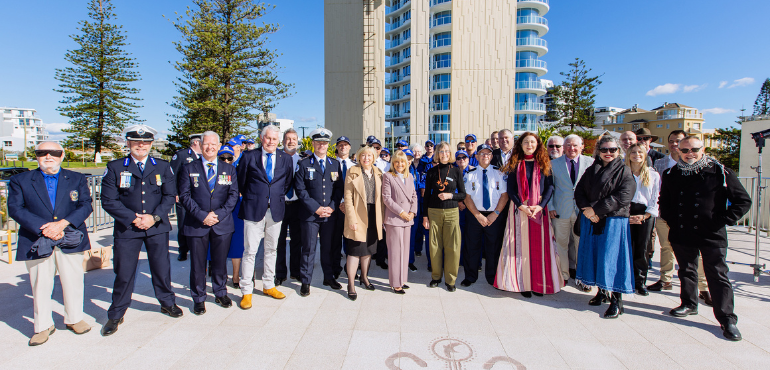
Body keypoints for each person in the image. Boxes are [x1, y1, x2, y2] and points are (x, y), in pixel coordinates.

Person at [659, 136, 751, 341]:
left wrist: (721, 220)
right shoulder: (671, 173)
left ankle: (727, 318)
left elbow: (743, 201)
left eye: (694, 149)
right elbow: (664, 201)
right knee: (686, 270)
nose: (689, 154)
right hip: (682, 231)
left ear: (703, 149)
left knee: (717, 274)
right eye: (685, 150)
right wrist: (672, 220)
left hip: (711, 233)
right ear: (678, 152)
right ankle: (689, 304)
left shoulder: (720, 172)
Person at [8, 142, 93, 346]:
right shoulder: (21, 180)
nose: (48, 156)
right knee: (40, 284)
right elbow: (16, 209)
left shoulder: (76, 178)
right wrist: (45, 228)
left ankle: (74, 318)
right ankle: (43, 326)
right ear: (36, 156)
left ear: (62, 155)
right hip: (37, 238)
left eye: (53, 152)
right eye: (42, 152)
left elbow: (85, 205)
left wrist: (62, 224)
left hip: (70, 236)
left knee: (73, 280)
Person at [100, 125, 180, 336]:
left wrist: (152, 218)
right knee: (124, 272)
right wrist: (133, 218)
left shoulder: (162, 167)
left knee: (161, 269)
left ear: (151, 144)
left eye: (145, 142)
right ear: (128, 143)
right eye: (136, 141)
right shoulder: (116, 167)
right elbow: (108, 200)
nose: (141, 145)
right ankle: (116, 313)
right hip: (128, 228)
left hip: (156, 226)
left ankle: (167, 302)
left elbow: (170, 196)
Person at [178, 131, 239, 314]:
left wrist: (218, 214)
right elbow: (184, 196)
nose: (210, 147)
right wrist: (202, 215)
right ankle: (199, 297)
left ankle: (220, 292)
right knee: (198, 264)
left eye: (214, 144)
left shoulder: (229, 169)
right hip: (197, 223)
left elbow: (233, 195)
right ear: (200, 144)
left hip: (222, 223)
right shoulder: (189, 168)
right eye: (206, 144)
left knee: (220, 262)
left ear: (219, 146)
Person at [574, 135, 635, 318]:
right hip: (591, 219)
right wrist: (587, 210)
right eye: (604, 150)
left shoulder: (624, 170)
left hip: (614, 221)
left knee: (612, 259)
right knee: (596, 256)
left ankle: (617, 301)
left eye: (613, 150)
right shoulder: (592, 170)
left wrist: (596, 211)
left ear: (619, 151)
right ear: (598, 151)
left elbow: (624, 196)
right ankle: (601, 292)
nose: (608, 153)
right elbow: (579, 191)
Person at [495, 132, 560, 297]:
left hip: (539, 211)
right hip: (519, 211)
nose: (529, 145)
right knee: (519, 249)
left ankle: (539, 283)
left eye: (532, 142)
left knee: (539, 248)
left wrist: (540, 206)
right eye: (526, 142)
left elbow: (550, 188)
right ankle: (522, 283)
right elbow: (510, 189)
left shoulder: (545, 163)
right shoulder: (515, 163)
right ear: (520, 144)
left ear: (537, 144)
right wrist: (521, 205)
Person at [237, 125, 294, 308]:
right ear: (262, 138)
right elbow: (241, 182)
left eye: (274, 139)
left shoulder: (285, 159)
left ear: (278, 141)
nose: (271, 142)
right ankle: (246, 290)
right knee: (250, 251)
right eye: (268, 138)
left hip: (275, 211)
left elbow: (287, 183)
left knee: (272, 250)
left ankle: (268, 285)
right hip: (253, 209)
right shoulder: (248, 157)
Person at [649, 131, 709, 303]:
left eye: (679, 141)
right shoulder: (660, 163)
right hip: (666, 214)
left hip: (693, 217)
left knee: (697, 253)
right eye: (672, 141)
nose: (675, 144)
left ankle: (703, 287)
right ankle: (665, 279)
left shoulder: (701, 165)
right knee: (666, 247)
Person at [294, 128, 344, 297]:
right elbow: (300, 190)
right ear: (313, 144)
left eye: (325, 143)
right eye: (318, 142)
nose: (322, 145)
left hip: (329, 215)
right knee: (308, 249)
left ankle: (328, 277)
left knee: (328, 248)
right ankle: (305, 281)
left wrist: (331, 206)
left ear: (328, 145)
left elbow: (339, 189)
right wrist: (316, 208)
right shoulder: (304, 164)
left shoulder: (334, 164)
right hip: (310, 215)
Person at [548, 134, 594, 291]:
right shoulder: (553, 164)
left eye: (575, 145)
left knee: (581, 245)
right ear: (564, 147)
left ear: (582, 146)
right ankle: (563, 275)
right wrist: (550, 206)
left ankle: (582, 277)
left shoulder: (591, 163)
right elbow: (549, 188)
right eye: (568, 145)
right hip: (560, 210)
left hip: (583, 212)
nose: (571, 148)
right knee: (561, 244)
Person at [461, 144, 508, 286]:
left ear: (492, 157)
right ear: (476, 156)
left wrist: (496, 213)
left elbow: (504, 196)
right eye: (482, 154)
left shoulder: (500, 173)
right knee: (472, 246)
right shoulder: (470, 175)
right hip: (475, 215)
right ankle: (470, 276)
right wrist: (477, 215)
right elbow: (467, 198)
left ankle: (492, 276)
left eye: (488, 154)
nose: (485, 156)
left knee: (493, 247)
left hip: (494, 215)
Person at [422, 141, 466, 292]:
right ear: (437, 153)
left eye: (447, 151)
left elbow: (463, 194)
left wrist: (450, 195)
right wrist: (425, 216)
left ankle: (450, 280)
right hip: (434, 211)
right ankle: (436, 277)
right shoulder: (431, 172)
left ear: (450, 153)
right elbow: (426, 195)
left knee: (452, 247)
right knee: (434, 246)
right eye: (441, 151)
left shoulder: (456, 171)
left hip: (452, 212)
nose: (444, 154)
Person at [343, 146, 384, 300]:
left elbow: (382, 199)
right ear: (359, 157)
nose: (366, 158)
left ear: (374, 157)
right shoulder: (352, 172)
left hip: (374, 214)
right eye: (363, 155)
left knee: (368, 249)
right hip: (358, 213)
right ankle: (351, 284)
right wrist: (351, 219)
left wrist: (382, 219)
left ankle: (364, 277)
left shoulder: (379, 173)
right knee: (354, 250)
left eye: (369, 155)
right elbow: (347, 197)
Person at [625, 143, 660, 296]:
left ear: (645, 155)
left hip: (645, 214)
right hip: (626, 212)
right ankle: (626, 280)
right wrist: (627, 215)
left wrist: (645, 216)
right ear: (628, 154)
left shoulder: (653, 175)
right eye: (633, 152)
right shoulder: (623, 172)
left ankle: (640, 282)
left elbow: (655, 198)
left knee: (642, 248)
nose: (636, 154)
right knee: (626, 247)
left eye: (640, 152)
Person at [383, 150, 419, 294]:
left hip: (407, 220)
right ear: (393, 163)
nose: (400, 164)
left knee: (405, 251)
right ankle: (395, 283)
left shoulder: (409, 176)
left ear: (407, 163)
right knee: (395, 252)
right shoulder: (388, 176)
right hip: (395, 219)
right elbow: (386, 198)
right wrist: (402, 212)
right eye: (397, 161)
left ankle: (402, 280)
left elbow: (414, 195)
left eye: (402, 161)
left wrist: (412, 212)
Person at [276, 129, 303, 285]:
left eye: (294, 139)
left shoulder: (303, 160)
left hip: (298, 205)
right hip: (280, 204)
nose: (291, 141)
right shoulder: (278, 159)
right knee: (278, 241)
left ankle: (295, 271)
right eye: (288, 139)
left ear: (297, 141)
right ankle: (280, 273)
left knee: (297, 240)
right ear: (283, 141)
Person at [215, 146, 244, 288]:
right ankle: (220, 274)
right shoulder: (212, 172)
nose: (226, 161)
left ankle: (236, 275)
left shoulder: (237, 171)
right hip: (218, 212)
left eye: (229, 158)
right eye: (222, 158)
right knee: (218, 245)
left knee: (236, 245)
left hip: (236, 210)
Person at [170, 133, 202, 261]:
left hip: (198, 197)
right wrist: (175, 193)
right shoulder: (182, 155)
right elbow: (171, 175)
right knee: (183, 223)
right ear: (195, 142)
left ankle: (195, 247)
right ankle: (183, 249)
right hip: (184, 196)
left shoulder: (203, 156)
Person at [332, 136, 355, 278]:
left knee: (351, 241)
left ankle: (350, 268)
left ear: (349, 147)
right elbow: (331, 187)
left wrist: (348, 205)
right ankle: (335, 268)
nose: (343, 147)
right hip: (336, 207)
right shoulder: (332, 165)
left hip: (351, 208)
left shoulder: (354, 166)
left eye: (345, 145)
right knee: (335, 240)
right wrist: (339, 203)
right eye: (340, 145)